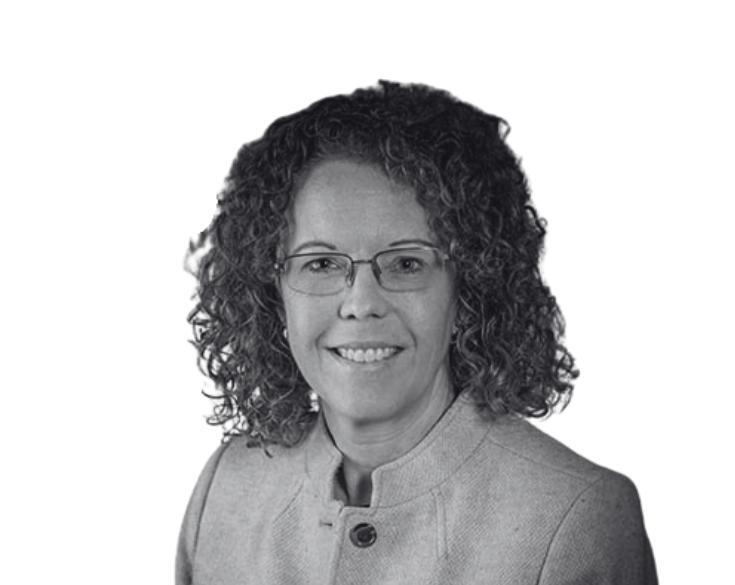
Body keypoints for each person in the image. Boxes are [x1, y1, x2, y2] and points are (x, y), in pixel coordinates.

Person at [177, 81, 657, 584]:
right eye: (320, 263)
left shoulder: (575, 517)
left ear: (469, 286)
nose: (361, 304)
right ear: (272, 288)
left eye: (406, 263)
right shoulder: (226, 486)